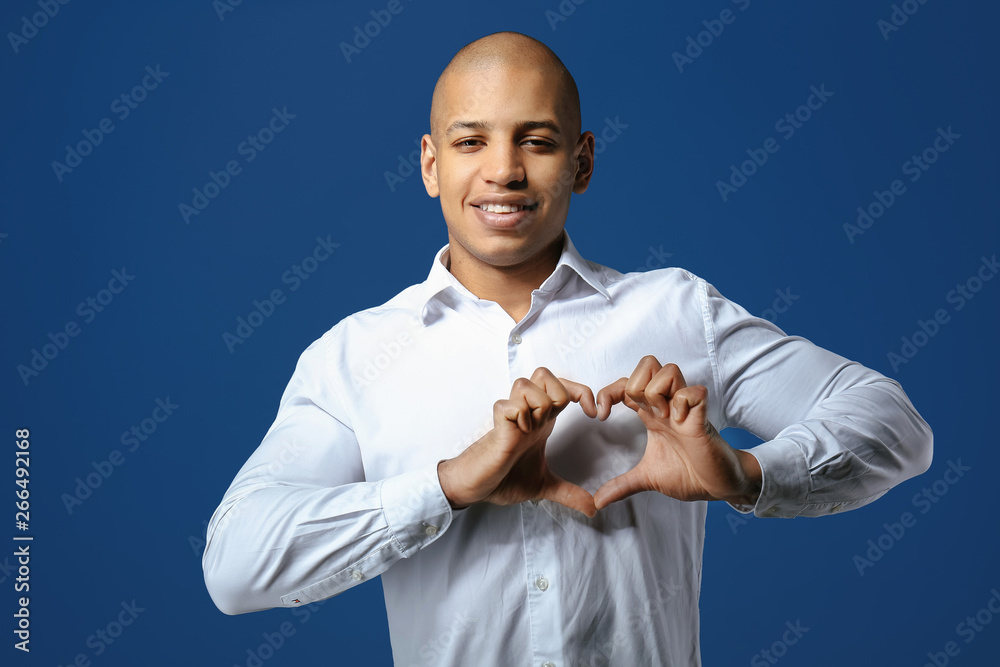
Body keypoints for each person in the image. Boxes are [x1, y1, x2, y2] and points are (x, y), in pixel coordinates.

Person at [203, 32, 933, 666]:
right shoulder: (355, 355)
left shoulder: (677, 311)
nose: (504, 171)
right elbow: (235, 566)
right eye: (470, 141)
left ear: (581, 162)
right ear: (430, 165)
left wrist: (742, 473)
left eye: (537, 139)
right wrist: (450, 485)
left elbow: (895, 424)